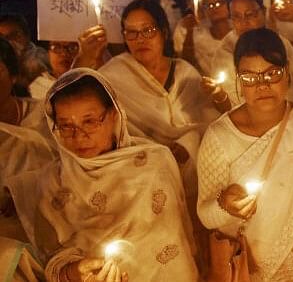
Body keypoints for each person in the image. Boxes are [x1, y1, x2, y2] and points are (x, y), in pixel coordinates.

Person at [6, 69, 198, 281]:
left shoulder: (154, 163)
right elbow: (53, 260)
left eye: (89, 121)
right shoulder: (52, 182)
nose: (79, 135)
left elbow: (175, 243)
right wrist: (76, 271)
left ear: (114, 116)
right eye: (66, 126)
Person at [196, 28, 293, 281]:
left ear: (287, 73)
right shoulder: (220, 138)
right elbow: (206, 216)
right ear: (238, 80)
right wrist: (226, 205)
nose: (262, 85)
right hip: (250, 266)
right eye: (249, 77)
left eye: (272, 73)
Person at [98, 0, 223, 249]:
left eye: (148, 30)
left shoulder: (185, 72)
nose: (140, 39)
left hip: (193, 173)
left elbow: (211, 125)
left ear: (163, 32)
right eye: (131, 32)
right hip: (145, 181)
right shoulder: (112, 76)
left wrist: (185, 143)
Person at [207, 0, 293, 105]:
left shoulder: (280, 42)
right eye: (236, 17)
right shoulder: (225, 52)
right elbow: (233, 101)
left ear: (263, 12)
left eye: (250, 14)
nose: (244, 22)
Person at [0, 37, 55, 242]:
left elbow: (70, 170)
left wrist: (18, 191)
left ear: (13, 76)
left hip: (52, 222)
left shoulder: (46, 115)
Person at [173, 0, 232, 74]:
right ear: (204, 11)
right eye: (209, 5)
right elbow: (187, 62)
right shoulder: (201, 37)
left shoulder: (239, 30)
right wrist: (190, 30)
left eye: (219, 3)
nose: (214, 8)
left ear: (228, 5)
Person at [0, 14, 49, 94]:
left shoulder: (39, 58)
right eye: (2, 38)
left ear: (27, 36)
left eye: (14, 35)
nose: (8, 41)